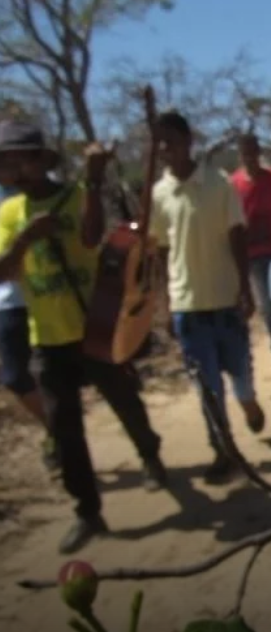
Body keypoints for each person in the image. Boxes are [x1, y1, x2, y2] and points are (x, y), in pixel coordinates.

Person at [0, 121, 166, 554]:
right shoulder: (8, 214)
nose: (10, 169)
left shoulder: (75, 195)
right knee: (64, 427)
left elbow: (92, 237)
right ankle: (87, 511)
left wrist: (92, 180)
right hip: (47, 338)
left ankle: (149, 452)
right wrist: (25, 240)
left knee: (124, 400)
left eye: (15, 159)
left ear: (36, 161)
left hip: (94, 329)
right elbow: (4, 271)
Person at [150, 112, 266, 483]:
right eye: (160, 142)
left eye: (171, 140)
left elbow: (237, 238)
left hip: (225, 301)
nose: (166, 149)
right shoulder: (158, 194)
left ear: (189, 141)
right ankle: (223, 450)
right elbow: (162, 252)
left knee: (240, 379)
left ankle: (249, 405)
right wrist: (166, 304)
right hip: (188, 306)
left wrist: (245, 289)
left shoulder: (218, 185)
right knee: (207, 387)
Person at [0, 172, 59, 475]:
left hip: (49, 296)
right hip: (8, 303)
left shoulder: (41, 187)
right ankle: (55, 430)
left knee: (57, 378)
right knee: (14, 376)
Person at [230, 135, 271, 364]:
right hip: (250, 253)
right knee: (264, 302)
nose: (250, 158)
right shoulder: (234, 184)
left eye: (253, 153)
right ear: (240, 156)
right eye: (245, 154)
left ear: (259, 153)